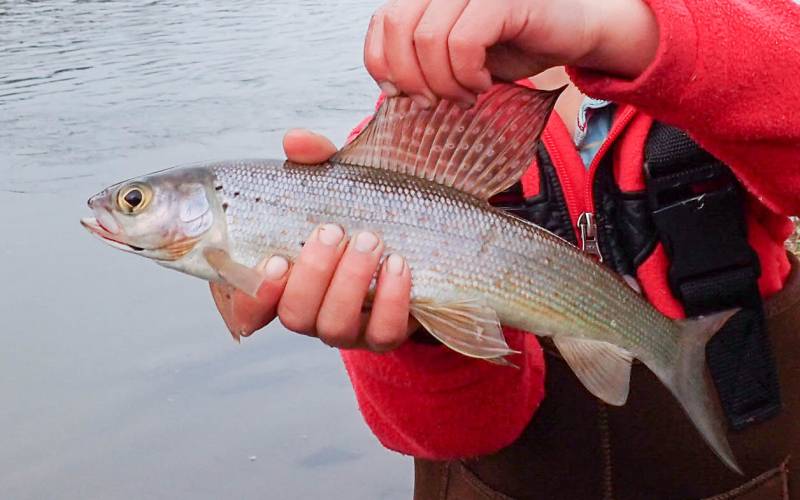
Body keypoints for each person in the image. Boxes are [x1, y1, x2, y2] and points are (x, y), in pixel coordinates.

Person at [215, 0, 800, 498]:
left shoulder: (743, 46)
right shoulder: (401, 148)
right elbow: (455, 435)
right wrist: (419, 333)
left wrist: (627, 33)